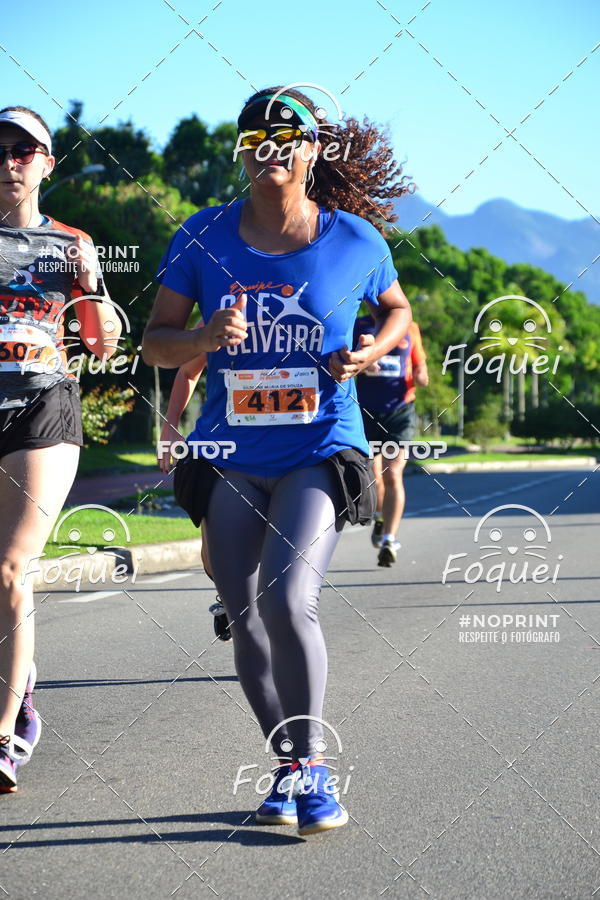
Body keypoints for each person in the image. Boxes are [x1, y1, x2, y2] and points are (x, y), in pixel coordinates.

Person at [143, 86, 412, 835]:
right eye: (257, 136)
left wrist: (370, 351)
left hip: (319, 447)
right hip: (231, 453)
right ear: (243, 149)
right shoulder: (201, 238)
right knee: (243, 610)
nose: (273, 148)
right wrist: (199, 339)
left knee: (290, 599)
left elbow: (398, 310)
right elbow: (154, 342)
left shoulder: (355, 240)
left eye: (288, 136)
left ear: (312, 151)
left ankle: (316, 770)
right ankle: (290, 764)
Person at [0, 106, 121, 791]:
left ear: (47, 162)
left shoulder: (72, 244)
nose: (9, 160)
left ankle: (5, 735)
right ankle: (25, 686)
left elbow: (103, 346)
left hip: (43, 407)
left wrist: (94, 291)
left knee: (12, 568)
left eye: (25, 149)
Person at [157, 324, 231, 641]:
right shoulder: (222, 318)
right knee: (213, 548)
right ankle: (229, 597)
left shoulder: (301, 319)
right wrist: (170, 424)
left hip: (281, 449)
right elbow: (188, 372)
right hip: (215, 450)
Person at [354, 315, 429, 566]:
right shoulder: (359, 325)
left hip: (400, 410)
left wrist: (421, 376)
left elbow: (419, 364)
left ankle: (389, 539)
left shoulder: (410, 327)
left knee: (393, 473)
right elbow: (346, 360)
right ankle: (379, 516)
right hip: (366, 410)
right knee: (373, 476)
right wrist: (363, 365)